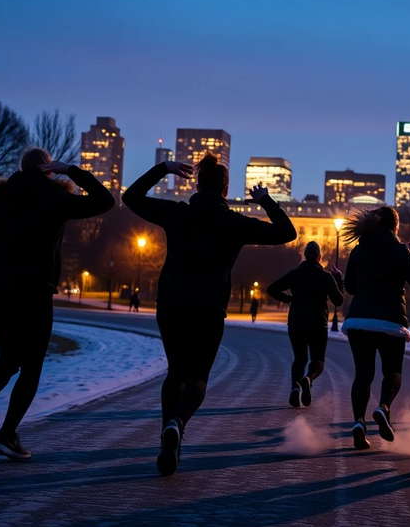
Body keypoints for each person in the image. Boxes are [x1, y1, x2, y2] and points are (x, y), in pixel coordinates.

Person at [122, 153, 296, 476]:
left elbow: (130, 197)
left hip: (171, 304)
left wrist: (165, 169)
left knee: (175, 372)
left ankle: (166, 434)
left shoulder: (177, 214)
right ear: (225, 190)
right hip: (209, 309)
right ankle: (178, 422)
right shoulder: (234, 224)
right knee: (197, 379)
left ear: (198, 185)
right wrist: (265, 201)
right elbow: (287, 233)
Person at [0, 148, 115, 460]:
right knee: (31, 366)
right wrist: (70, 170)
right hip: (34, 291)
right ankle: (5, 435)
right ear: (48, 170)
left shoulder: (2, 200)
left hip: (0, 291)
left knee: (8, 359)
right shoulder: (55, 199)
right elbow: (105, 200)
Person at [340, 207, 410, 450]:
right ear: (395, 227)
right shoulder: (401, 251)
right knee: (392, 373)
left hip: (359, 320)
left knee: (363, 375)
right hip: (390, 321)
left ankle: (359, 422)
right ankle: (383, 407)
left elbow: (351, 288)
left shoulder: (358, 251)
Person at [267, 241, 345, 407]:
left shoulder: (295, 274)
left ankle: (294, 388)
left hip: (296, 322)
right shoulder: (325, 277)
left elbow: (272, 289)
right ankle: (308, 379)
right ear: (319, 257)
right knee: (318, 360)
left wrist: (289, 299)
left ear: (304, 255)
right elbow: (338, 300)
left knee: (299, 359)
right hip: (318, 323)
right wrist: (339, 280)